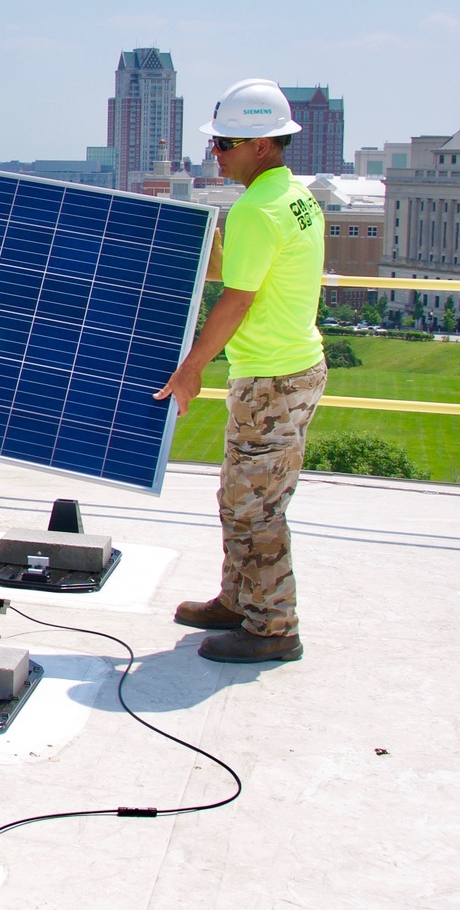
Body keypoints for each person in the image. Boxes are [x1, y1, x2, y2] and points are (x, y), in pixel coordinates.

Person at [155, 78, 325, 663]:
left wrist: (191, 367)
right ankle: (239, 600)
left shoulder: (257, 209)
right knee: (239, 495)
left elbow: (237, 298)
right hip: (288, 369)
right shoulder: (294, 198)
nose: (216, 154)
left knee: (256, 507)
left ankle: (274, 627)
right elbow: (250, 271)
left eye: (225, 144)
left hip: (273, 379)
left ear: (261, 145)